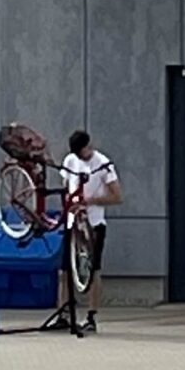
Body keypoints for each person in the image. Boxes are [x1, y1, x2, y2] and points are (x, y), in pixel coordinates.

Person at [58, 128, 120, 327]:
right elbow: (66, 187)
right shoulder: (70, 161)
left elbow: (116, 196)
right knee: (64, 270)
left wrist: (89, 201)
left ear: (89, 146)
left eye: (82, 152)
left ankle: (91, 316)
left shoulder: (103, 164)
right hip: (72, 222)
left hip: (94, 223)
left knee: (93, 270)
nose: (80, 156)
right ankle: (63, 313)